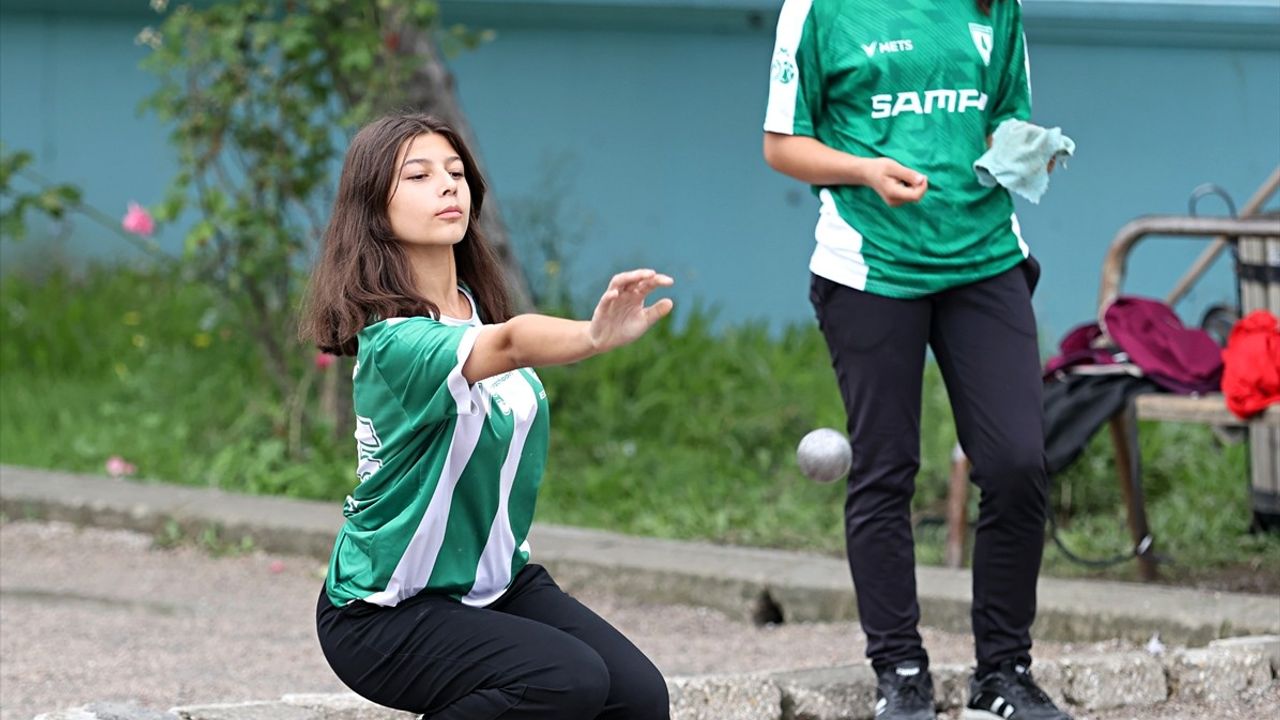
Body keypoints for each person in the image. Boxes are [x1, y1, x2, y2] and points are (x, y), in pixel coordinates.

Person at [301, 113, 673, 720]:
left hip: (492, 585)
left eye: (456, 172)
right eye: (418, 176)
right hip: (386, 608)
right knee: (563, 680)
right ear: (374, 210)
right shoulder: (395, 342)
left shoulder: (475, 309)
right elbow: (511, 344)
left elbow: (500, 338)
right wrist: (593, 336)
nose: (448, 186)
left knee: (636, 697)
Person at [762, 1, 1072, 719]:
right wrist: (866, 169)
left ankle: (1004, 673)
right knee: (886, 466)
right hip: (871, 266)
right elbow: (784, 144)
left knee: (1018, 463)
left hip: (986, 258)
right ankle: (900, 672)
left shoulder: (994, 7)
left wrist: (1027, 146)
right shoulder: (818, 10)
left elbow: (1001, 114)